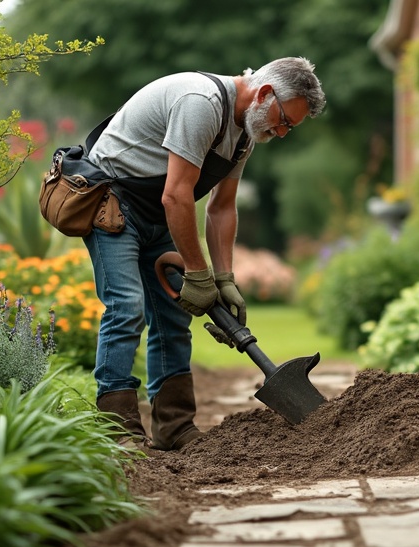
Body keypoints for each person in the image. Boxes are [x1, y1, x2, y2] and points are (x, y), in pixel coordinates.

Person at [84, 57, 326, 450]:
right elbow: (177, 194)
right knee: (127, 307)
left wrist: (224, 279)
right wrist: (198, 274)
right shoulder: (201, 103)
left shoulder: (245, 132)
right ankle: (116, 431)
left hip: (156, 212)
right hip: (111, 203)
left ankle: (174, 427)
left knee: (172, 316)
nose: (282, 133)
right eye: (284, 121)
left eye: (289, 128)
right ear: (265, 94)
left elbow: (221, 206)